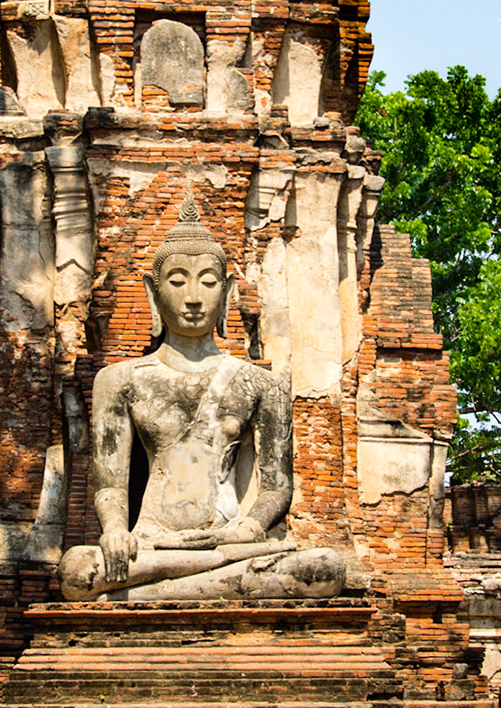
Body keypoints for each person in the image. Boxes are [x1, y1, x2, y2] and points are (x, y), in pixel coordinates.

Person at [57, 196, 345, 601]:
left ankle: (157, 591)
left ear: (226, 292)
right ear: (152, 291)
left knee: (323, 568)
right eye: (177, 281)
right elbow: (110, 487)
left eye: (207, 282)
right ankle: (207, 583)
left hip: (232, 542)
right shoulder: (120, 381)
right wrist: (116, 531)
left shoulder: (262, 385)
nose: (193, 297)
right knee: (77, 570)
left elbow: (277, 489)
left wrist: (252, 527)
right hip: (152, 543)